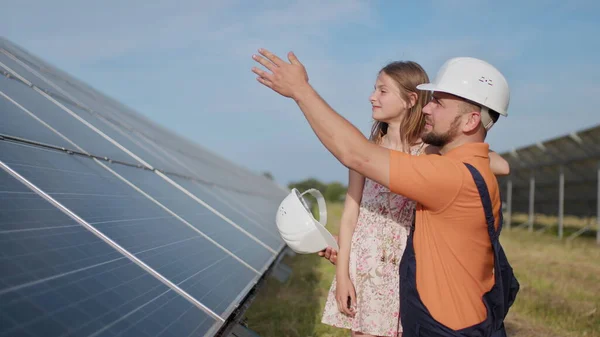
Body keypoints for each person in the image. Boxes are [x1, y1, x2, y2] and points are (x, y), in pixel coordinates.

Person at [251, 50, 519, 337]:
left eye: (438, 104)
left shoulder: (446, 174)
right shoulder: (465, 168)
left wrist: (300, 91)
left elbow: (356, 155)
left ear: (470, 122)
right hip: (444, 315)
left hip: (445, 326)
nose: (427, 108)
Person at [319, 61, 510, 337]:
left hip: (407, 265)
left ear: (410, 100)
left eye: (383, 91)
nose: (373, 97)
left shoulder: (430, 152)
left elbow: (501, 165)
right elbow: (350, 214)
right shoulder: (369, 152)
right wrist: (342, 274)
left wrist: (440, 146)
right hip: (367, 263)